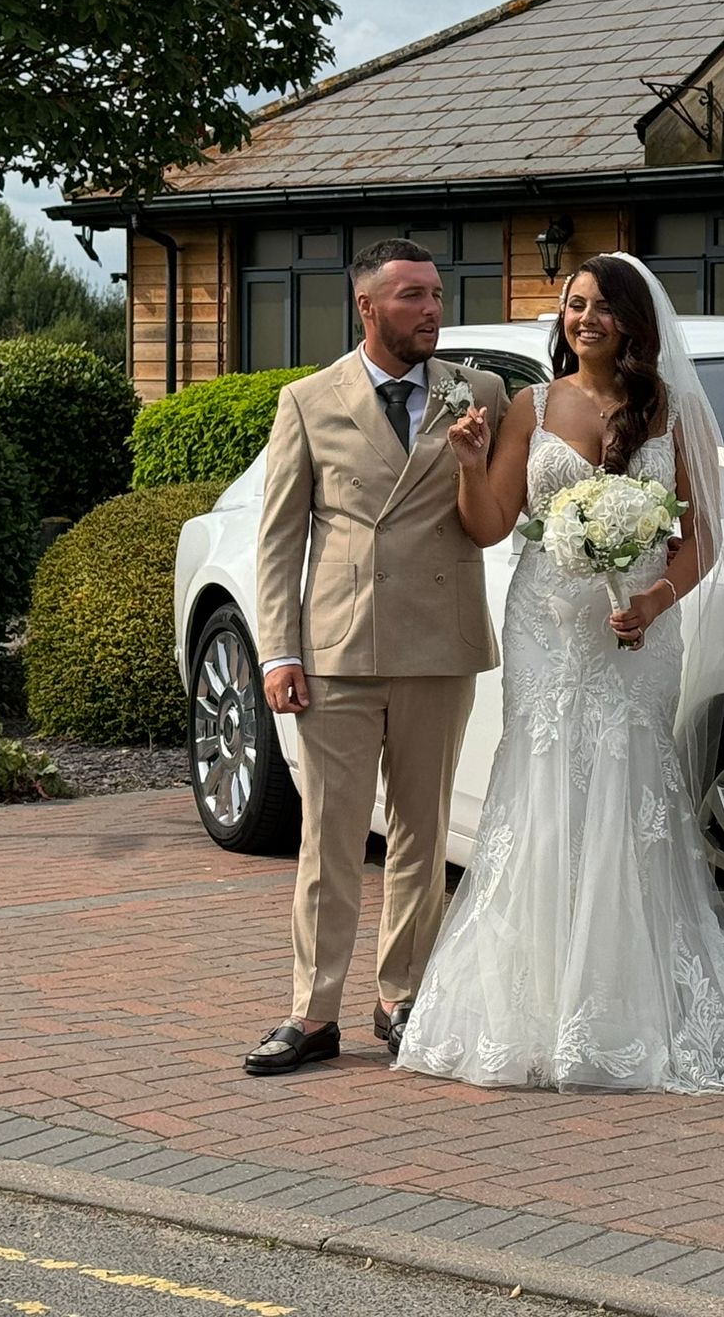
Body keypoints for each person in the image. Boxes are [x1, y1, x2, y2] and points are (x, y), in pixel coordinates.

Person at [394, 253, 724, 1094]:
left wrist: (652, 599)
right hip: (547, 630)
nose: (585, 319)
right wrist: (469, 464)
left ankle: (620, 1006)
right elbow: (494, 524)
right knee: (539, 788)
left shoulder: (670, 412)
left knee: (626, 789)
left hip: (636, 637)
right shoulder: (532, 406)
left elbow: (702, 540)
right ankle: (532, 1006)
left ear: (634, 322)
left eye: (603, 307)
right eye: (574, 305)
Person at [244, 239, 510, 1076]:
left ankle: (404, 999)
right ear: (367, 307)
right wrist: (278, 651)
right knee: (328, 838)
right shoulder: (308, 400)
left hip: (438, 639)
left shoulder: (481, 393)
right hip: (337, 647)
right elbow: (280, 538)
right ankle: (312, 1013)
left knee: (423, 835)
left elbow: (489, 518)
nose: (431, 309)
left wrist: (473, 464)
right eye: (410, 297)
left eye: (436, 294)